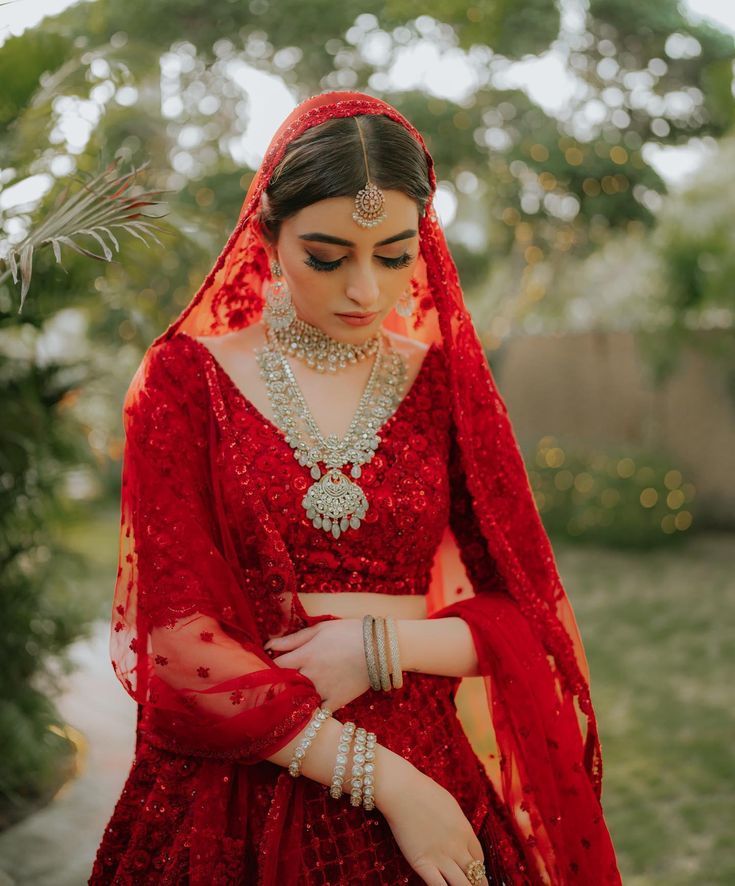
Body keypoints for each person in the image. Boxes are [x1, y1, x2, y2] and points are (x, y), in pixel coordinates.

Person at [89, 91, 622, 885]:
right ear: (265, 233)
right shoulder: (184, 382)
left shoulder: (442, 387)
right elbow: (175, 649)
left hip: (427, 745)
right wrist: (390, 784)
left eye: (395, 256)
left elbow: (525, 622)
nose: (365, 291)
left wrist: (376, 648)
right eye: (328, 257)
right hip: (245, 777)